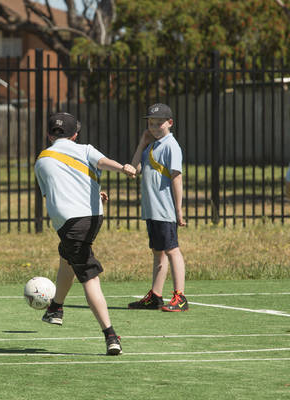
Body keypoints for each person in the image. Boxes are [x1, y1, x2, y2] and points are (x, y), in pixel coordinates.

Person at [34, 112, 136, 356]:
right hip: (93, 218)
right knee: (66, 256)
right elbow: (103, 163)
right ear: (75, 135)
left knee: (89, 276)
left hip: (70, 224)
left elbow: (53, 193)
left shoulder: (42, 161)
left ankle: (110, 335)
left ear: (48, 135)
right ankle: (55, 309)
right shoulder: (85, 149)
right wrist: (123, 168)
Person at [127, 103, 188, 312]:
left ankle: (180, 297)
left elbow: (176, 177)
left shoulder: (171, 145)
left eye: (159, 123)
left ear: (170, 123)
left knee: (172, 250)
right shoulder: (152, 146)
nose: (154, 127)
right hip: (152, 209)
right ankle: (156, 295)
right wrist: (142, 144)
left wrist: (178, 210)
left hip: (164, 209)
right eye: (151, 123)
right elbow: (134, 169)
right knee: (158, 252)